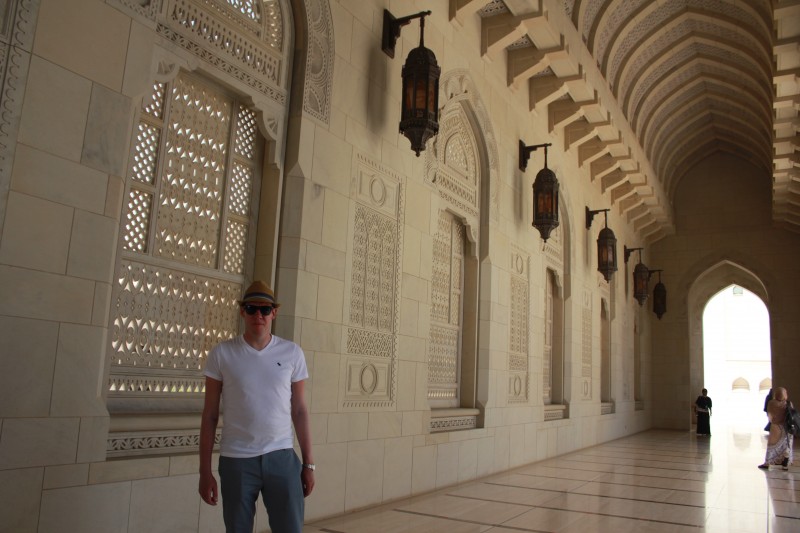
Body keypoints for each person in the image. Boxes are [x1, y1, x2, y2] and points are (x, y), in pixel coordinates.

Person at [199, 281, 315, 533]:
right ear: (242, 312)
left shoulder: (292, 353)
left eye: (265, 309)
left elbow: (300, 411)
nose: (258, 315)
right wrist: (204, 471)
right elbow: (209, 416)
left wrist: (308, 464)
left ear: (274, 312)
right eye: (251, 309)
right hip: (237, 460)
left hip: (282, 458)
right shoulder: (222, 354)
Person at [759, 386, 794, 470]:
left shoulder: (772, 403)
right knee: (786, 446)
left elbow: (769, 414)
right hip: (786, 428)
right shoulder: (788, 403)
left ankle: (767, 463)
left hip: (775, 427)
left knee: (772, 446)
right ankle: (785, 464)